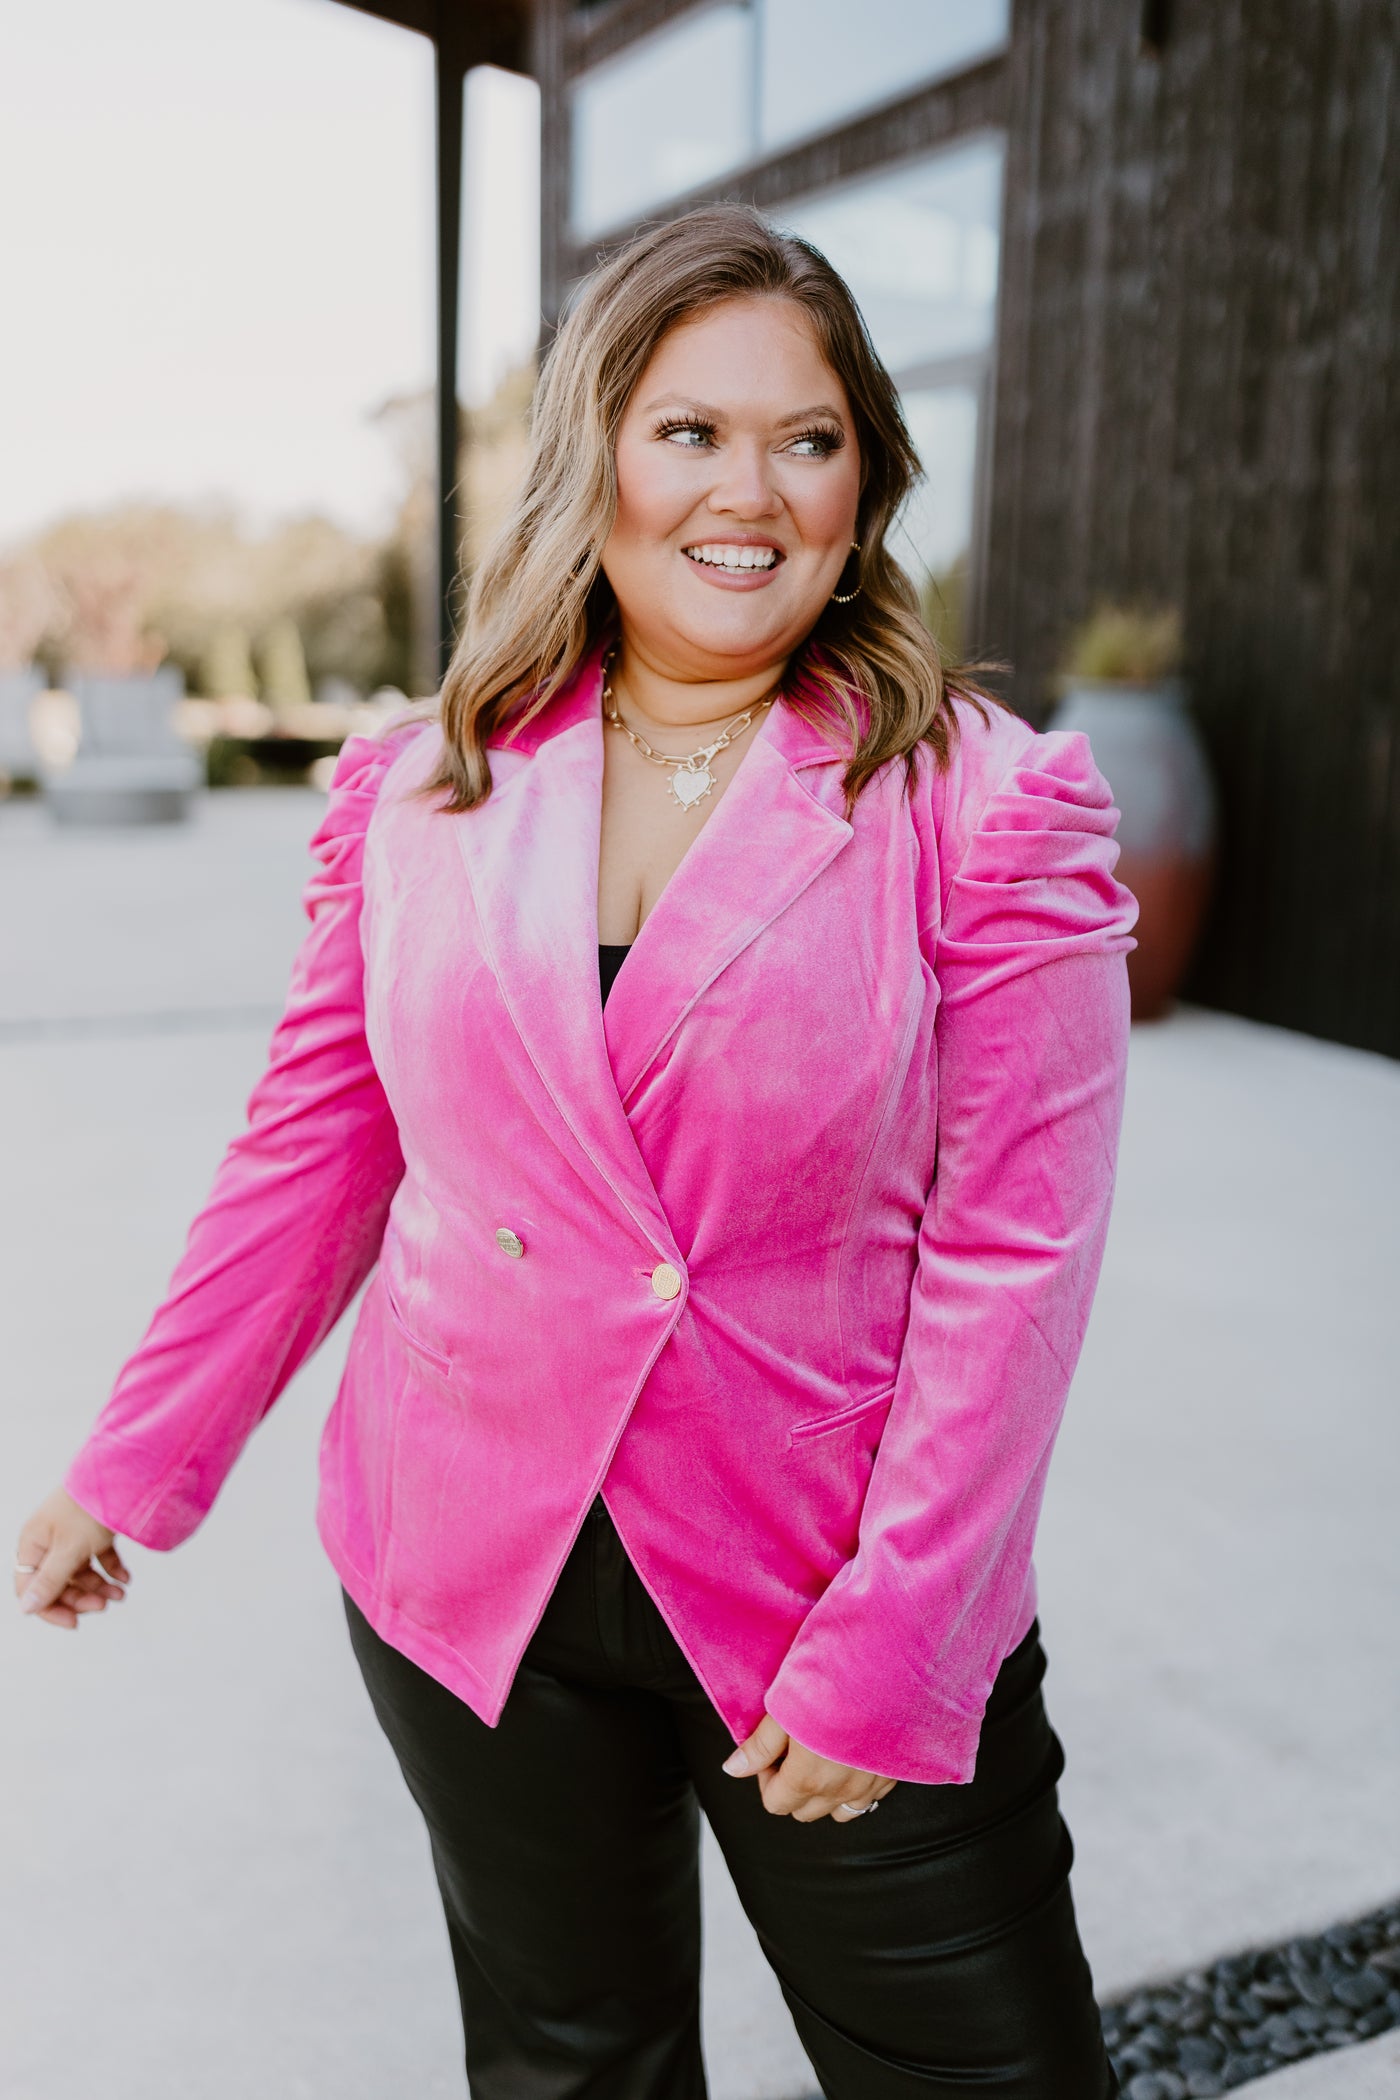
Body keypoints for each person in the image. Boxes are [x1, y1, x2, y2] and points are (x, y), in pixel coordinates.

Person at [15, 206, 1135, 2098]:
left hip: (822, 1592)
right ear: (593, 455)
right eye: (690, 429)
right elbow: (315, 1149)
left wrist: (902, 1637)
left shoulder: (989, 810)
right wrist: (135, 1460)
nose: (751, 490)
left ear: (866, 487)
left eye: (809, 437)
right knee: (569, 2069)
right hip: (469, 1573)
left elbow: (1016, 1261)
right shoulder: (423, 789)